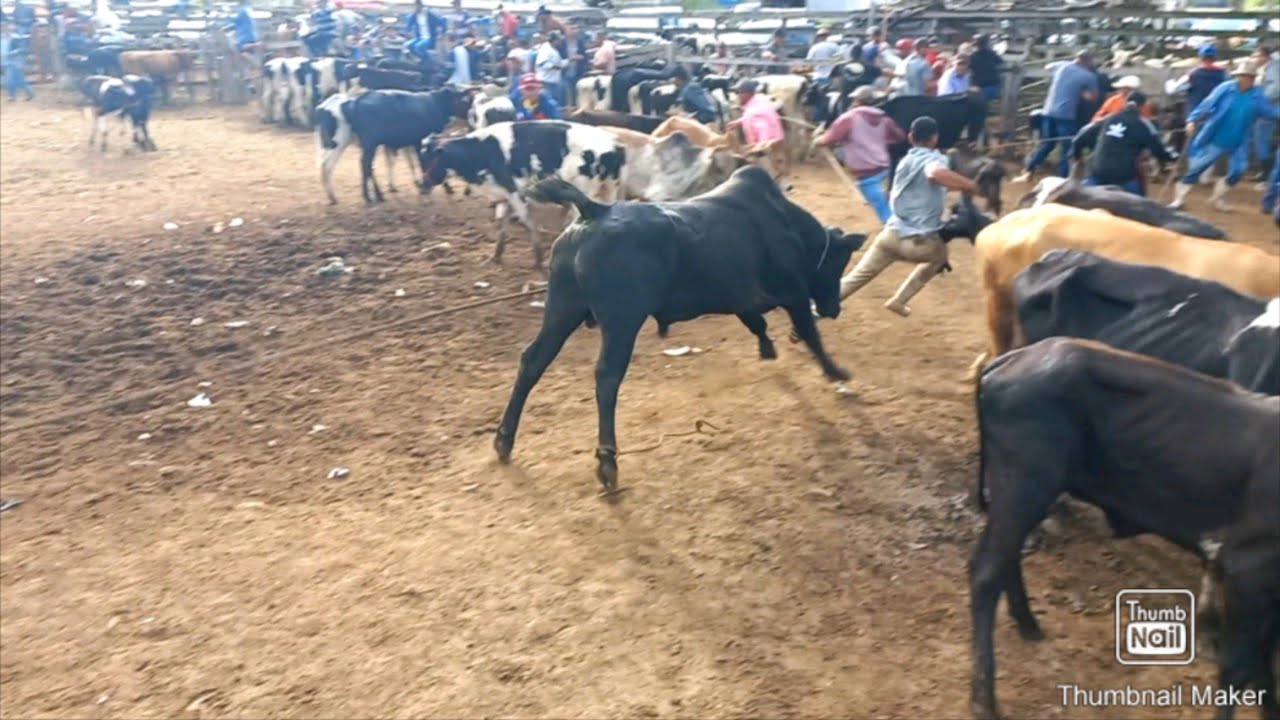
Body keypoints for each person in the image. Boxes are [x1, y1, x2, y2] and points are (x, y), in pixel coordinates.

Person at [836, 116, 978, 317]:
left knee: (856, 277)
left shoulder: (906, 160)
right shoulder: (935, 159)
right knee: (940, 257)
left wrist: (956, 186)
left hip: (890, 236)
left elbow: (934, 181)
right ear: (934, 139)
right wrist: (969, 184)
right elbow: (935, 174)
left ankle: (815, 309)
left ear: (911, 137)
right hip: (919, 245)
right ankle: (899, 300)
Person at [1172, 59, 1280, 212]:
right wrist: (1192, 120)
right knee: (1197, 167)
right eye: (1243, 76)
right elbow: (1207, 104)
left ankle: (1217, 198)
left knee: (1239, 170)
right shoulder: (1225, 88)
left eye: (1249, 77)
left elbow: (1269, 111)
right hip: (1216, 136)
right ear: (1238, 76)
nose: (1245, 79)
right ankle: (1179, 199)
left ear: (1254, 79)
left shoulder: (1257, 94)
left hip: (1240, 140)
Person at [812, 85, 907, 224]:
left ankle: (899, 232)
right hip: (884, 169)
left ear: (858, 101)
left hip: (866, 172)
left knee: (884, 211)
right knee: (886, 203)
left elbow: (829, 139)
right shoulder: (884, 119)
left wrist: (817, 140)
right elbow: (899, 136)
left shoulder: (849, 118)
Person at [1013, 49, 1099, 182]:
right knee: (1067, 149)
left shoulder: (1061, 65)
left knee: (1047, 144)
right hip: (1066, 115)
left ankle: (1028, 171)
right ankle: (1063, 179)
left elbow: (1047, 67)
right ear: (1087, 61)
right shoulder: (1088, 76)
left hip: (1048, 111)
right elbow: (1093, 97)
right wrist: (1082, 92)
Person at [1069, 91, 1176, 196]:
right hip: (1124, 176)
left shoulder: (1108, 118)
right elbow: (1159, 148)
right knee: (1139, 198)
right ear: (1143, 106)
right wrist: (1173, 157)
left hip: (1097, 171)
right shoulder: (1143, 124)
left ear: (1125, 102)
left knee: (1085, 196)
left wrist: (1076, 154)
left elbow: (1081, 136)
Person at [726, 79, 787, 176]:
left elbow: (763, 128)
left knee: (769, 175)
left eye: (739, 93)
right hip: (776, 143)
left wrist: (760, 147)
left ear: (747, 94)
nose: (737, 96)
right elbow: (758, 116)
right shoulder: (758, 102)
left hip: (766, 149)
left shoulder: (753, 111)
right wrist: (739, 121)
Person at [1167, 44, 1227, 118]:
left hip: (1197, 117)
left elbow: (1174, 90)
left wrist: (1170, 82)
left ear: (1200, 57)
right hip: (1217, 116)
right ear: (1215, 58)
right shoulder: (1223, 74)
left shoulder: (1193, 74)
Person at [1251, 46, 1278, 180]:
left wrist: (1261, 101)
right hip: (1272, 108)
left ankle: (1266, 174)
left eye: (1256, 56)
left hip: (1271, 109)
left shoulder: (1273, 67)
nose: (1254, 59)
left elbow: (1276, 87)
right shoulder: (1272, 66)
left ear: (1264, 56)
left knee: (1262, 138)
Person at [2, 23, 34, 101]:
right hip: (6, 61)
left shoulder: (16, 38)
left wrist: (11, 53)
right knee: (18, 79)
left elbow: (21, 49)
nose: (3, 29)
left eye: (5, 28)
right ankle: (29, 92)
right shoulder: (2, 38)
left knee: (11, 79)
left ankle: (12, 96)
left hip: (15, 61)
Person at [969, 34, 1003, 102]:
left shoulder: (973, 56)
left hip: (979, 88)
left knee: (978, 106)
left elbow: (969, 69)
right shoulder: (992, 54)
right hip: (993, 86)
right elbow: (1000, 62)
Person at [534, 31, 565, 105]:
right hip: (546, 82)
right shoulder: (546, 48)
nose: (560, 41)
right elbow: (542, 63)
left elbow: (559, 63)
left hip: (552, 81)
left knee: (554, 103)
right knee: (548, 103)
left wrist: (570, 60)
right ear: (554, 40)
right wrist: (556, 67)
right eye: (559, 40)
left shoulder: (553, 49)